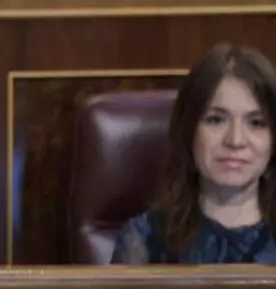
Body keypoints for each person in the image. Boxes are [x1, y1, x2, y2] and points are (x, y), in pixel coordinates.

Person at [111, 43, 276, 264]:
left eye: (256, 123)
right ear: (189, 130)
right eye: (216, 120)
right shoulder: (145, 239)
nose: (235, 140)